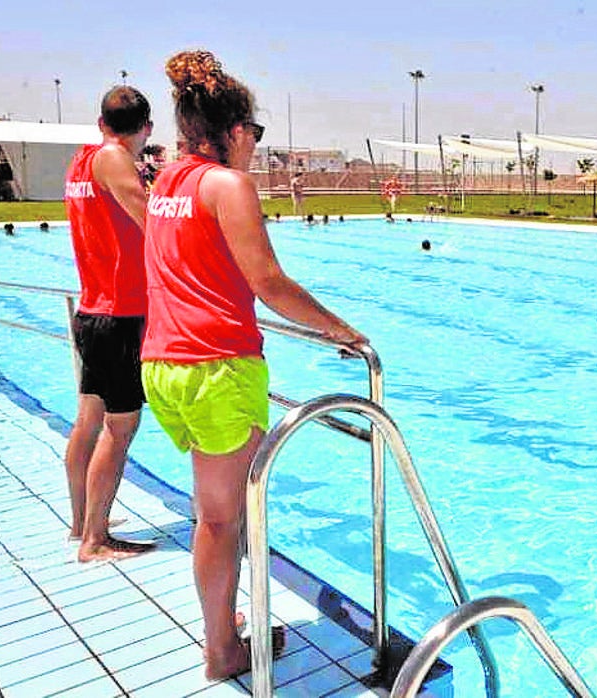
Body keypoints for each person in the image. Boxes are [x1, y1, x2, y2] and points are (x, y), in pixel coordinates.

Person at [143, 49, 369, 680]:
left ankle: (223, 623)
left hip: (163, 364)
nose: (255, 149)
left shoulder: (167, 183)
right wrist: (341, 330)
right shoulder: (227, 185)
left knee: (213, 513)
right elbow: (268, 281)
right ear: (235, 131)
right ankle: (221, 650)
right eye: (256, 135)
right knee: (221, 519)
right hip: (217, 367)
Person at [62, 85, 156, 562]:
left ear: (101, 122)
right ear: (146, 128)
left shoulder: (81, 160)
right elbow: (155, 224)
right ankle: (96, 540)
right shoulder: (116, 160)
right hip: (119, 313)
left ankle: (81, 522)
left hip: (92, 309)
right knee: (120, 429)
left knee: (89, 420)